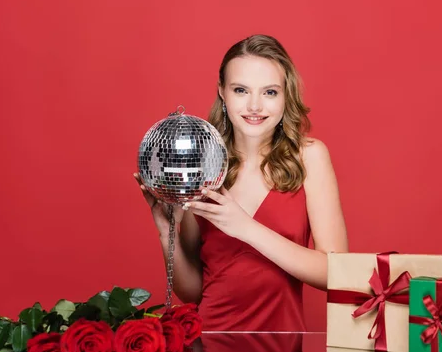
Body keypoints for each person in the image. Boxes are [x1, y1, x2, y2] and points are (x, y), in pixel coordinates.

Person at [133, 34, 348, 332]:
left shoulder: (309, 157)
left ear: (287, 95)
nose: (255, 105)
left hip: (280, 348)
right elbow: (194, 291)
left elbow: (337, 275)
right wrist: (167, 231)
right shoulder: (203, 163)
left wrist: (246, 228)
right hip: (208, 349)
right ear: (222, 92)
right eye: (241, 90)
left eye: (270, 92)